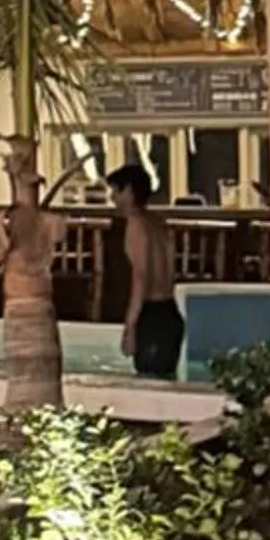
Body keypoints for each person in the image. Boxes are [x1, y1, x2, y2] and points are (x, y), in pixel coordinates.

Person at [108, 160, 183, 379]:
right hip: (170, 312)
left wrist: (130, 326)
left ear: (129, 191)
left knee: (150, 384)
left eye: (115, 191)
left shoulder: (136, 225)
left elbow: (141, 277)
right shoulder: (156, 222)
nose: (112, 198)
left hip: (153, 316)